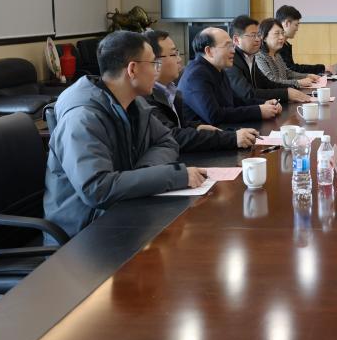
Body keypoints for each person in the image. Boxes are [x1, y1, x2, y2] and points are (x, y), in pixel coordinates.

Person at [44, 31, 208, 239]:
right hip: (84, 232)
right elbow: (97, 189)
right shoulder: (82, 118)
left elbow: (166, 141)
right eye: (153, 64)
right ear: (132, 69)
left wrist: (144, 174)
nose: (157, 71)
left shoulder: (134, 103)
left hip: (124, 211)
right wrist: (174, 175)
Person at [143, 30, 257, 153]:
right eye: (173, 54)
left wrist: (196, 126)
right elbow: (171, 135)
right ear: (153, 61)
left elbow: (177, 124)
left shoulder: (169, 89)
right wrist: (232, 138)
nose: (179, 59)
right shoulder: (145, 98)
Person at [179, 27, 282, 126]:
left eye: (232, 46)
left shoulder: (217, 68)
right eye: (227, 46)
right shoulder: (196, 75)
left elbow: (234, 100)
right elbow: (214, 115)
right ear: (209, 51)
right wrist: (258, 111)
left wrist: (264, 103)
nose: (233, 50)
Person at [227, 15, 312, 105]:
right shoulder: (231, 62)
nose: (258, 39)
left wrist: (290, 89)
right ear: (236, 40)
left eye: (258, 35)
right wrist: (286, 93)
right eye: (253, 35)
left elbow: (267, 83)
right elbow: (248, 93)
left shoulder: (250, 57)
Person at [256, 18, 321, 90]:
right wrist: (298, 82)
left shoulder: (277, 54)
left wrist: (307, 76)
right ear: (264, 37)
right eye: (277, 33)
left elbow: (287, 73)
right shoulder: (259, 57)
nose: (281, 37)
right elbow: (271, 80)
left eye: (282, 33)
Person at [275, 5, 333, 74]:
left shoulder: (286, 44)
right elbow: (291, 69)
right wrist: (321, 68)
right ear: (287, 23)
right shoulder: (277, 46)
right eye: (296, 25)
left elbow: (292, 70)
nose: (297, 29)